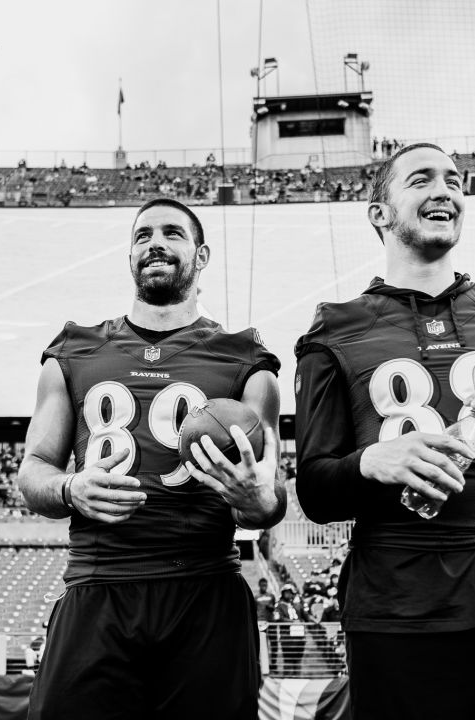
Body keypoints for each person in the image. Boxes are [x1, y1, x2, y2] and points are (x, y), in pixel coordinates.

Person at [292, 143, 475, 720]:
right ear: (379, 214)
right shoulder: (336, 328)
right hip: (399, 599)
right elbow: (315, 488)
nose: (444, 190)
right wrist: (372, 462)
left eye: (453, 181)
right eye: (421, 179)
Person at [18, 197, 285, 719]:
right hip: (98, 583)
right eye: (143, 235)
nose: (155, 243)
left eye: (172, 233)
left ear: (201, 255)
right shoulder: (74, 350)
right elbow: (33, 472)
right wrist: (71, 488)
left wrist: (254, 498)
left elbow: (269, 503)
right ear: (131, 256)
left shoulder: (247, 359)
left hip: (204, 586)